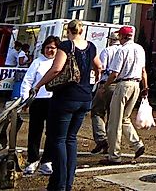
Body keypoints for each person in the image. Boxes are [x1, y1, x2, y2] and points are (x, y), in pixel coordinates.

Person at [33, 20, 102, 191]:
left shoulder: (66, 46)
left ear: (68, 31)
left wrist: (38, 85)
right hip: (85, 97)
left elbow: (56, 69)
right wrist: (94, 79)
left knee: (58, 139)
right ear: (82, 30)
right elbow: (99, 66)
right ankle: (68, 181)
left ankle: (60, 183)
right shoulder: (91, 46)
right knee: (71, 139)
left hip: (66, 97)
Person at [99, 25, 148, 165]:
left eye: (119, 36)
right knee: (125, 118)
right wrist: (145, 87)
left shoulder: (122, 50)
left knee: (114, 122)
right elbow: (143, 70)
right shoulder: (140, 49)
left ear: (122, 36)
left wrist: (105, 86)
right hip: (136, 85)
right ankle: (137, 144)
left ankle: (114, 156)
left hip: (123, 85)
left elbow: (115, 73)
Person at [20, 35, 60, 176]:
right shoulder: (37, 62)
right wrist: (26, 100)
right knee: (35, 131)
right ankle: (32, 159)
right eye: (48, 48)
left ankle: (47, 161)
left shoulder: (59, 62)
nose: (50, 50)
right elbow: (27, 81)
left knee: (52, 132)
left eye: (53, 48)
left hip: (54, 101)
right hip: (38, 101)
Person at [90, 31, 121, 154]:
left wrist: (99, 80)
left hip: (106, 83)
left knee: (97, 111)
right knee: (113, 114)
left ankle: (101, 139)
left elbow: (101, 67)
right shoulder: (124, 50)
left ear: (110, 40)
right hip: (120, 85)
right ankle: (111, 142)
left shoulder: (107, 51)